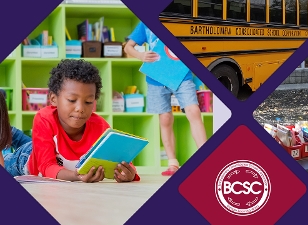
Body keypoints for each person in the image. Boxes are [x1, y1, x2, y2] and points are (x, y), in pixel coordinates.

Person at [3, 59, 139, 183]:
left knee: (26, 141)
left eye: (88, 102)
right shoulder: (44, 118)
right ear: (53, 99)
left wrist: (129, 174)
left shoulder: (101, 127)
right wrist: (77, 176)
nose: (80, 108)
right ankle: (6, 130)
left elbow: (123, 161)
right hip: (25, 159)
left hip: (44, 145)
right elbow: (46, 167)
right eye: (72, 100)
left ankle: (9, 131)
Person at [124, 21, 207, 176]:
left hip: (182, 75)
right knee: (165, 119)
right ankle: (172, 163)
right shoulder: (144, 24)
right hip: (156, 76)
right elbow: (128, 46)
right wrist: (141, 55)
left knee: (193, 111)